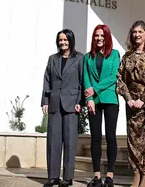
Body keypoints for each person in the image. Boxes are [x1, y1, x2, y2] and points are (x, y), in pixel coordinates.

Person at [116, 21, 145, 187]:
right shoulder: (127, 56)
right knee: (133, 139)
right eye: (134, 32)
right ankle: (136, 173)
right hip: (131, 104)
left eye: (140, 31)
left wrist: (142, 98)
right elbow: (119, 79)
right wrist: (129, 99)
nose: (137, 35)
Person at [41, 29, 84, 187]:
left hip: (72, 104)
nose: (63, 42)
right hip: (54, 103)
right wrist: (45, 101)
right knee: (53, 140)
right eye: (60, 40)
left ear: (71, 40)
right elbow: (46, 81)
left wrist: (81, 101)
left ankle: (67, 177)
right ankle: (53, 176)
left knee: (70, 141)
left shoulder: (80, 58)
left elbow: (82, 81)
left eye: (66, 40)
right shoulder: (52, 59)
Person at [83, 24, 121, 187]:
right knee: (95, 138)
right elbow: (85, 78)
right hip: (94, 101)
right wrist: (89, 99)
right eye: (96, 36)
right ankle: (97, 176)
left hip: (110, 99)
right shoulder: (87, 57)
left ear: (107, 37)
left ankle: (110, 175)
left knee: (111, 137)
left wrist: (94, 89)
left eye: (102, 35)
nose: (99, 38)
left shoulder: (114, 54)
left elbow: (114, 76)